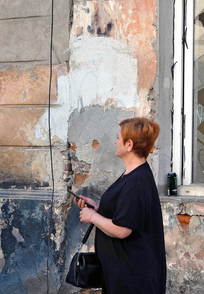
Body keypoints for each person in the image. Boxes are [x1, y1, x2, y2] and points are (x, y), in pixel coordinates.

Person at [75, 117, 166, 294]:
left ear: (129, 145)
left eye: (118, 137)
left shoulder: (137, 181)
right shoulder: (131, 175)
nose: (115, 141)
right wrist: (97, 209)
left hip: (132, 279)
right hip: (122, 274)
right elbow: (125, 214)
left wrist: (93, 217)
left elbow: (123, 229)